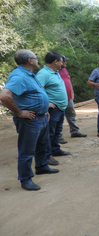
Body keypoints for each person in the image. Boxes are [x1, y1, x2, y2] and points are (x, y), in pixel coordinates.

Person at [0, 49, 59, 191]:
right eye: (35, 57)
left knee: (42, 145)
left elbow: (35, 95)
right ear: (30, 60)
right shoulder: (19, 76)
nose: (38, 60)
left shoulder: (29, 75)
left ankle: (41, 166)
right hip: (30, 120)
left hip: (41, 117)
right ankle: (25, 179)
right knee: (27, 150)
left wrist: (44, 110)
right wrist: (20, 112)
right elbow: (4, 96)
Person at [37, 51, 71, 166]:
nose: (63, 63)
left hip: (60, 108)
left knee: (57, 131)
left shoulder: (55, 72)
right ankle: (47, 156)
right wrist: (46, 104)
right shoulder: (43, 74)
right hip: (52, 109)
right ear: (55, 61)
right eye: (61, 61)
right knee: (49, 133)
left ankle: (55, 149)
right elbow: (37, 91)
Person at [58, 54, 87, 144]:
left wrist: (72, 93)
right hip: (59, 99)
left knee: (71, 115)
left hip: (69, 97)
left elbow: (68, 81)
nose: (65, 62)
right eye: (63, 61)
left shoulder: (64, 69)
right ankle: (58, 136)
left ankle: (74, 131)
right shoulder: (53, 72)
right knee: (59, 118)